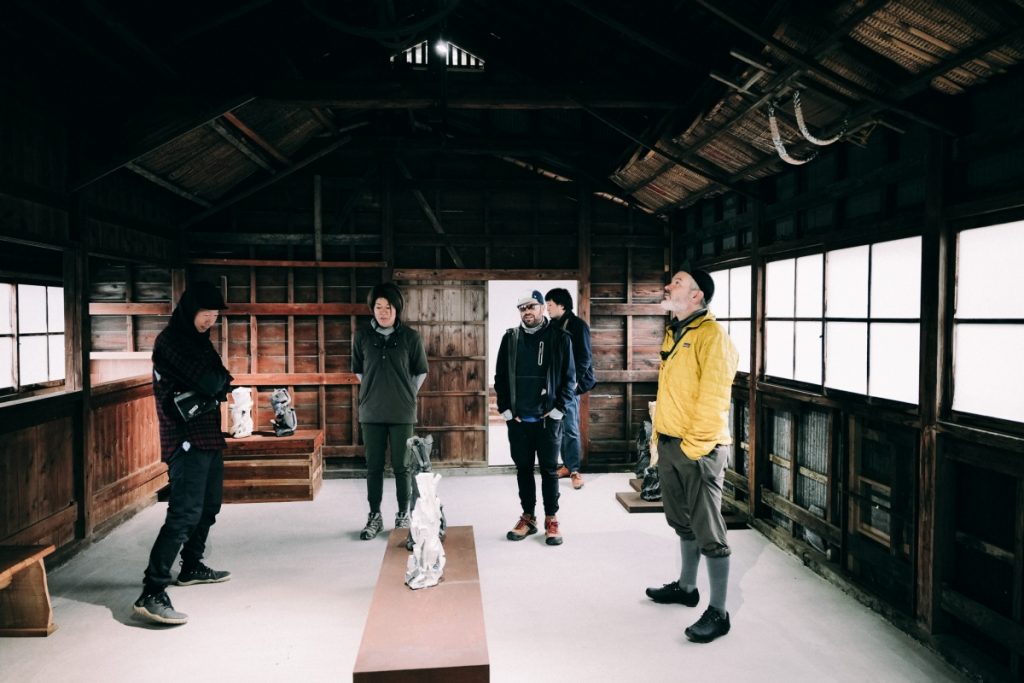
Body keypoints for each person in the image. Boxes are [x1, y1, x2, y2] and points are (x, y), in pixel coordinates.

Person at [645, 268, 738, 644]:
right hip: (671, 444)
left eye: (677, 283)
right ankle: (687, 588)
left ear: (697, 295)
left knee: (709, 532)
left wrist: (694, 449)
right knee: (681, 521)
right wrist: (661, 443)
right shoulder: (676, 331)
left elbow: (715, 399)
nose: (668, 286)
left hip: (698, 448)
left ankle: (719, 612)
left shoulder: (712, 337)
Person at [134, 281, 233, 626]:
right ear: (190, 309)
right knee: (183, 514)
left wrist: (214, 383)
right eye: (206, 313)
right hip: (184, 438)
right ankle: (152, 590)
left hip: (208, 435)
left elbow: (224, 379)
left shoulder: (200, 341)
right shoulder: (171, 342)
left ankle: (191, 566)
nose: (210, 320)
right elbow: (211, 383)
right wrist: (214, 384)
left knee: (209, 506)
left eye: (215, 315)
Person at [495, 289, 576, 546]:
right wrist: (506, 411)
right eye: (522, 308)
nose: (527, 311)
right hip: (519, 420)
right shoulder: (510, 338)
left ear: (542, 308)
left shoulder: (559, 338)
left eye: (532, 306)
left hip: (547, 420)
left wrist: (558, 410)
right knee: (523, 469)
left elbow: (569, 378)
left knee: (550, 471)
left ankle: (551, 519)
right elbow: (500, 377)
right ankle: (528, 517)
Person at [352, 282, 429, 540]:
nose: (383, 312)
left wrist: (406, 394)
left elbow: (421, 371)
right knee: (373, 466)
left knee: (402, 466)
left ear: (397, 309)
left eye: (388, 307)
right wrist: (373, 392)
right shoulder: (362, 336)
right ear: (372, 309)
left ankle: (403, 514)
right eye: (378, 307)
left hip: (402, 412)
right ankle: (374, 516)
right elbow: (359, 371)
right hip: (371, 412)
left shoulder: (411, 337)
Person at [545, 288, 596, 490]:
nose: (547, 309)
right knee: (557, 428)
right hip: (555, 384)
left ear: (562, 305)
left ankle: (574, 470)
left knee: (571, 428)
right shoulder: (551, 326)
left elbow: (584, 358)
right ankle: (566, 465)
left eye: (550, 305)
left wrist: (572, 384)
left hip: (570, 385)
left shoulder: (578, 326)